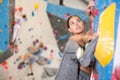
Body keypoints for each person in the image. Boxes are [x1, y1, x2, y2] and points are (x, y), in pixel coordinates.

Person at [55, 1, 99, 80]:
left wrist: (91, 17)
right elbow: (83, 39)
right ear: (70, 29)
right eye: (72, 23)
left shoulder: (87, 35)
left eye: (78, 21)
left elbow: (93, 31)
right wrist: (95, 38)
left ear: (83, 23)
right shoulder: (72, 40)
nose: (76, 24)